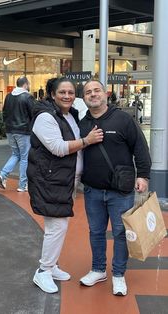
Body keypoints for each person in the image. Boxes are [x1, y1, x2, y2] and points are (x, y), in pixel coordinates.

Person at [27, 77, 103, 294]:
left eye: (71, 92)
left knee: (59, 225)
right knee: (56, 226)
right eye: (62, 92)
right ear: (52, 94)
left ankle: (51, 266)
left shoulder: (70, 114)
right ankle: (43, 271)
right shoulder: (45, 117)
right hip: (49, 179)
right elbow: (58, 148)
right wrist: (87, 140)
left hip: (65, 179)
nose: (67, 96)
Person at [79, 80, 151, 296]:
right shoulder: (83, 124)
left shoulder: (123, 119)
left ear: (105, 93)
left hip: (120, 191)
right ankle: (98, 269)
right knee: (96, 232)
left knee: (120, 233)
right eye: (88, 92)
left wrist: (144, 176)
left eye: (96, 90)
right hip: (92, 190)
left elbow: (140, 148)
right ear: (84, 98)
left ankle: (118, 274)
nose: (93, 94)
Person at [0, 76, 36, 191]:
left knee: (15, 154)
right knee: (24, 157)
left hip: (10, 130)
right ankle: (22, 185)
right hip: (23, 131)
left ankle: (3, 175)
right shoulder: (28, 97)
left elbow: (4, 113)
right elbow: (34, 114)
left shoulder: (8, 96)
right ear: (26, 84)